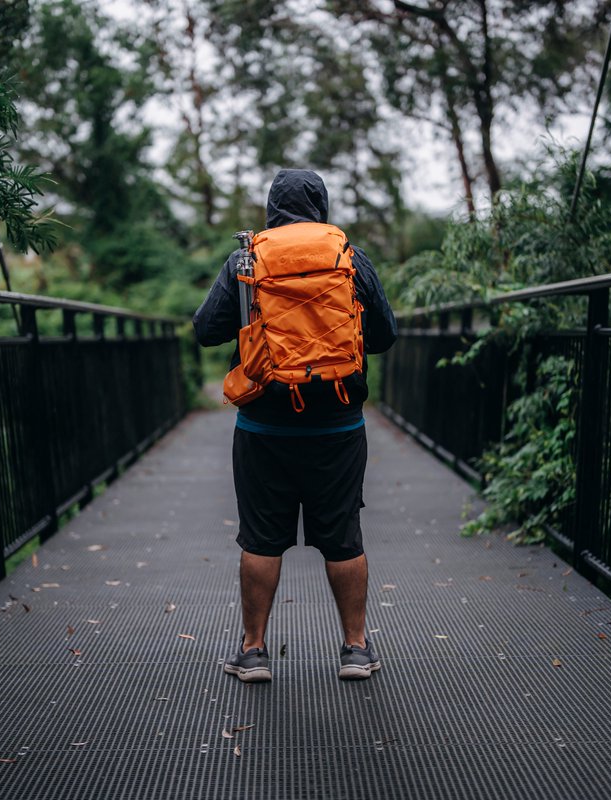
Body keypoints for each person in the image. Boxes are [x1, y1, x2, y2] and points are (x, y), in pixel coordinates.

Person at [192, 168, 398, 682]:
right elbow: (385, 335)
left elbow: (204, 330)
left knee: (261, 538)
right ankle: (354, 649)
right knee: (344, 537)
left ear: (271, 209)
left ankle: (254, 652)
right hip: (339, 422)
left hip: (265, 426)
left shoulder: (246, 258)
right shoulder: (347, 256)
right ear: (321, 206)